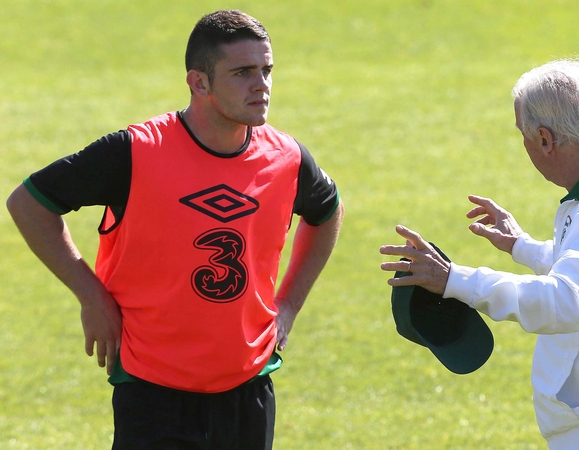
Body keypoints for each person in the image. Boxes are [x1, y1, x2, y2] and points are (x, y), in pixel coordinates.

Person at [6, 9, 343, 449]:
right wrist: (92, 297)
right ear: (198, 82)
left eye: (266, 70)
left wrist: (290, 305)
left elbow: (327, 212)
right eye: (242, 72)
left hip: (248, 383)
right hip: (152, 388)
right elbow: (29, 204)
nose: (261, 84)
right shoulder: (135, 152)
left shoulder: (287, 159)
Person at [379, 58, 579, 449]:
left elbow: (567, 302)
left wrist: (456, 279)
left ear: (544, 139)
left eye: (522, 134)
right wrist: (521, 246)